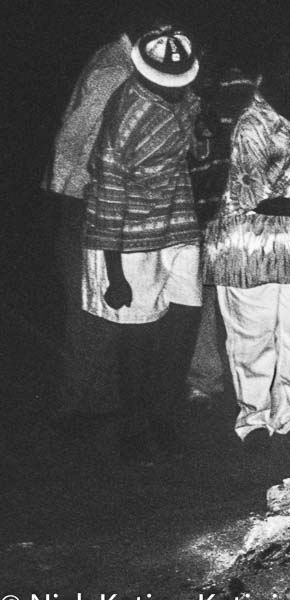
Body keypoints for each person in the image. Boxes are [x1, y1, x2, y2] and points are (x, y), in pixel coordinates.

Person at [81, 26, 204, 466]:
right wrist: (113, 272)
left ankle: (163, 416)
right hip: (128, 233)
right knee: (137, 334)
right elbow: (108, 189)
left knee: (184, 318)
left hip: (178, 222)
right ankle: (134, 429)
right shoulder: (128, 111)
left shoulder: (185, 99)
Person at [204, 43, 290, 450]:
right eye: (285, 67)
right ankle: (253, 418)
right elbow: (256, 197)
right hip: (248, 241)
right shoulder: (250, 122)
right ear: (264, 73)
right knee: (252, 336)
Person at [44, 14, 155, 427]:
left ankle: (95, 399)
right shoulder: (117, 70)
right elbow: (77, 136)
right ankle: (82, 405)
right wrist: (90, 183)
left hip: (83, 197)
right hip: (86, 201)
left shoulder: (113, 57)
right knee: (91, 305)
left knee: (96, 304)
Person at [186, 61, 257, 405]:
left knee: (241, 299)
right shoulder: (187, 97)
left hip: (241, 213)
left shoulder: (242, 84)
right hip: (203, 212)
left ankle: (249, 381)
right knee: (205, 297)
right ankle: (206, 377)